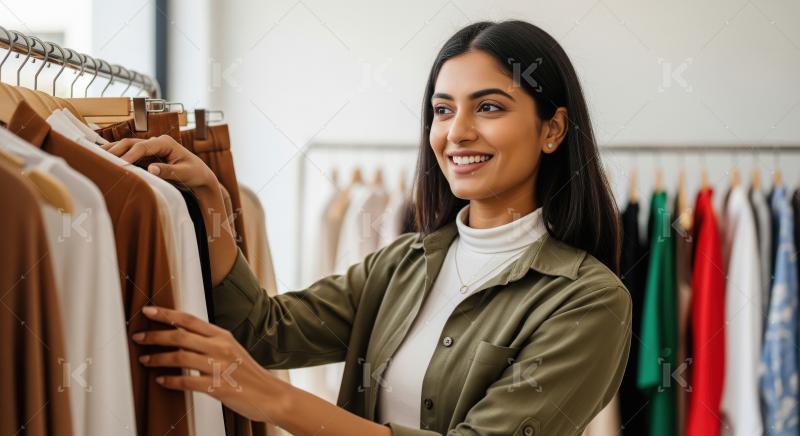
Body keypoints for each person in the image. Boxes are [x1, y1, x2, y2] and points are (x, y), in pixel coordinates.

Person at [107, 19, 632, 436]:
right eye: (442, 110)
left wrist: (273, 398)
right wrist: (212, 201)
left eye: (489, 107)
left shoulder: (588, 301)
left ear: (553, 129)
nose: (458, 132)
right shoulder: (403, 263)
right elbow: (263, 331)